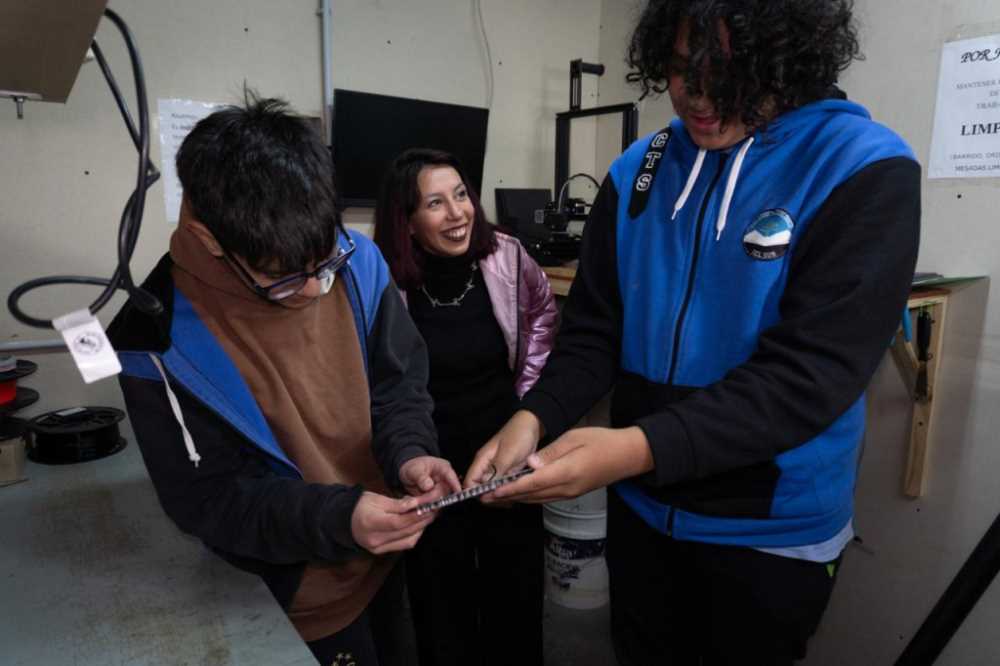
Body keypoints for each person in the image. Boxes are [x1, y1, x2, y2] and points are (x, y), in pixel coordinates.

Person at [467, 1, 921, 664]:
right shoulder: (636, 171)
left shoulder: (861, 167)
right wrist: (535, 418)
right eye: (682, 69)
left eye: (728, 72)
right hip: (643, 511)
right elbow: (594, 331)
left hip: (769, 530)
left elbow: (807, 380)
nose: (699, 96)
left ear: (788, 62)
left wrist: (633, 448)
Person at [108, 94, 460, 665]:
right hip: (292, 605)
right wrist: (340, 516)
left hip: (386, 561)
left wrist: (410, 454)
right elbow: (208, 499)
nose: (314, 290)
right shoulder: (153, 343)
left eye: (322, 265)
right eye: (282, 278)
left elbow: (399, 385)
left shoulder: (356, 260)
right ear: (209, 241)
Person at [373, 148, 558, 666]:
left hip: (505, 447)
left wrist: (527, 404)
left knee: (516, 587)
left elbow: (543, 314)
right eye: (435, 203)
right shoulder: (383, 279)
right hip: (429, 459)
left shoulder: (507, 255)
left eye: (461, 195)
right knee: (439, 593)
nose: (458, 214)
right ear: (406, 223)